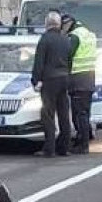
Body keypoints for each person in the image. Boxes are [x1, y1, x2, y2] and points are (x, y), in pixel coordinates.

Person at [30, 11, 73, 157]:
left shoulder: (45, 39)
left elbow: (39, 62)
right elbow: (70, 61)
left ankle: (49, 148)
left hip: (50, 80)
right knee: (63, 114)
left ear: (46, 24)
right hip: (64, 78)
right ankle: (64, 147)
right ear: (59, 24)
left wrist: (36, 80)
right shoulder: (65, 39)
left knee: (47, 114)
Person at [63, 13, 98, 155]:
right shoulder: (89, 34)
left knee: (79, 114)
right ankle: (84, 138)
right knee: (85, 112)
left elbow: (67, 55)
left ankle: (82, 145)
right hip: (89, 77)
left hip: (78, 78)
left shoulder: (75, 36)